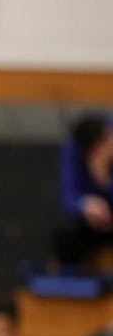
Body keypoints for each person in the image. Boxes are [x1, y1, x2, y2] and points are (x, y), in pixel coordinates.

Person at [53, 114, 113, 268]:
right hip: (92, 221)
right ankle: (69, 283)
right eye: (106, 141)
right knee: (65, 229)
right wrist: (84, 205)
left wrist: (105, 181)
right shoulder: (72, 150)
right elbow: (67, 196)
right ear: (94, 149)